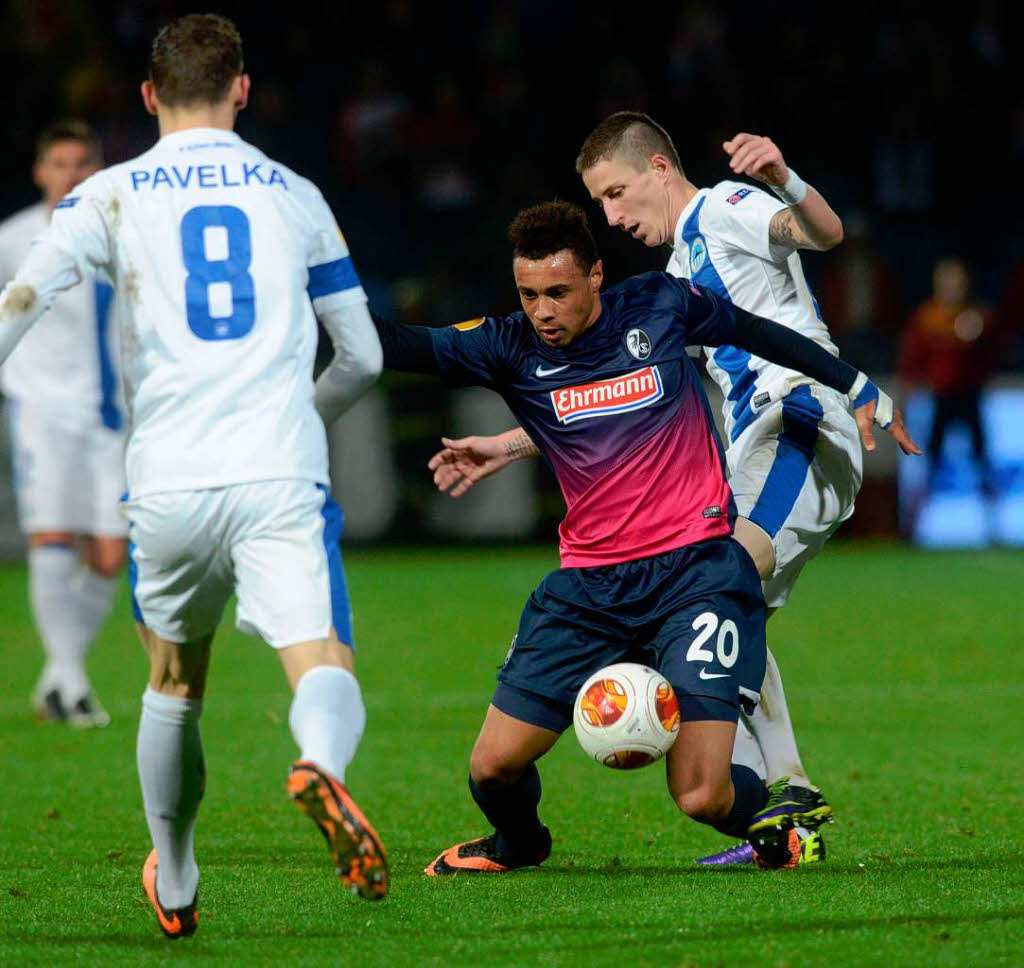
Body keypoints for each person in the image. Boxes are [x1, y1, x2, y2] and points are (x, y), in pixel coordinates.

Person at [372, 200, 918, 876]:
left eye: (558, 293)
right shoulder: (508, 345)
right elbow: (398, 343)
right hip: (587, 591)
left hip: (697, 577)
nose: (543, 310)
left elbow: (759, 333)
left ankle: (782, 822)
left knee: (700, 794)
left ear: (595, 276)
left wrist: (854, 381)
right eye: (529, 294)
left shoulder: (660, 307)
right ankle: (519, 845)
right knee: (491, 769)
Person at [0, 13, 387, 937]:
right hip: (277, 475)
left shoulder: (108, 194)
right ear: (241, 90)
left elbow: (25, 296)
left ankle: (173, 878)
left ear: (146, 96)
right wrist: (303, 414)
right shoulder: (295, 193)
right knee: (319, 659)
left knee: (173, 682)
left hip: (166, 481)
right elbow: (364, 356)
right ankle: (321, 768)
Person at [0, 120, 126, 727]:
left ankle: (58, 677)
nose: (71, 174)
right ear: (39, 171)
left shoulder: (125, 230)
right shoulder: (14, 237)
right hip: (42, 410)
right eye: (60, 163)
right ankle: (72, 685)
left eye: (83, 162)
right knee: (51, 538)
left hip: (112, 416)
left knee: (108, 553)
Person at [899, 257, 997, 496]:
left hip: (970, 396)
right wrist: (910, 390)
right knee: (931, 458)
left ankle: (994, 520)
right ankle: (916, 523)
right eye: (947, 280)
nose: (952, 286)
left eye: (957, 281)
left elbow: (994, 352)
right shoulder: (927, 317)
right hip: (940, 398)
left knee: (981, 456)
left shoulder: (977, 315)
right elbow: (912, 357)